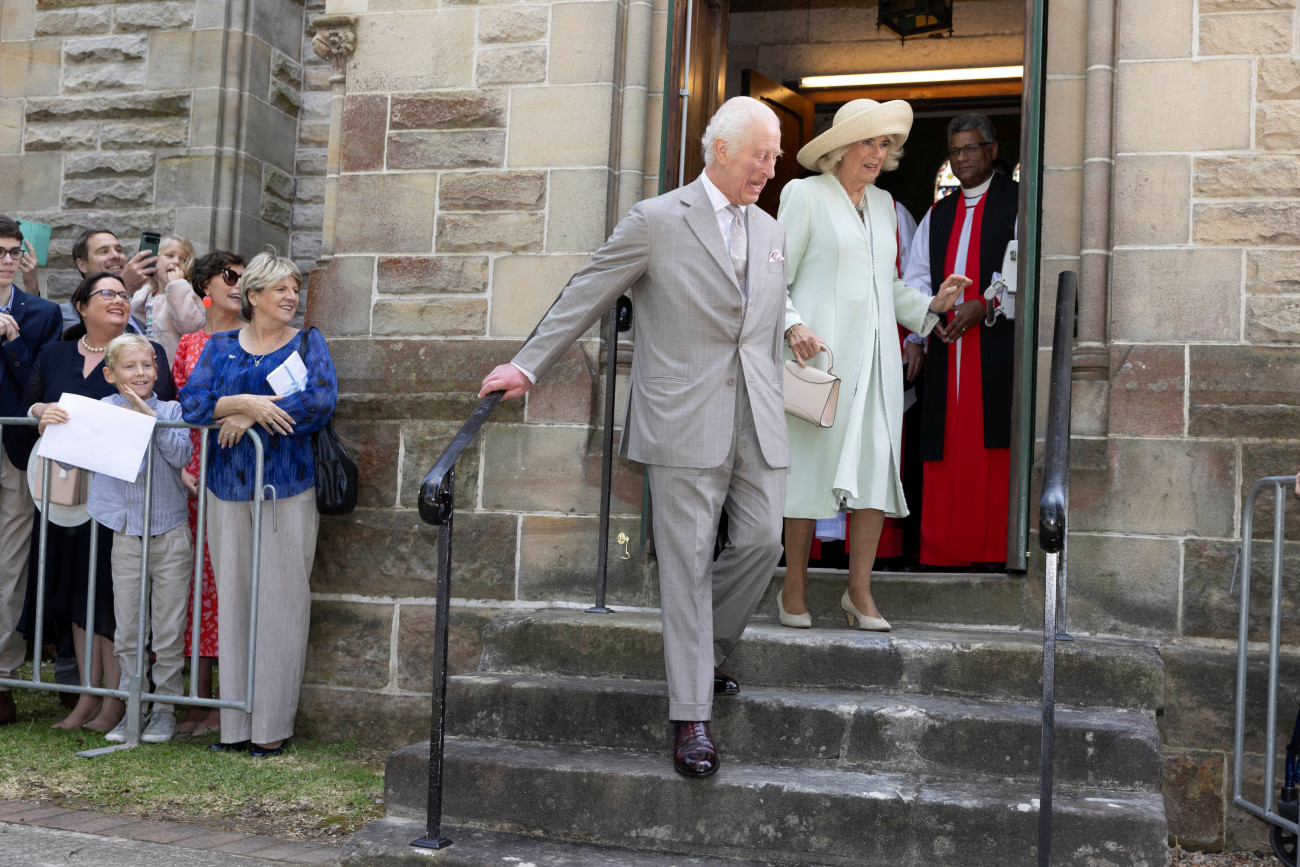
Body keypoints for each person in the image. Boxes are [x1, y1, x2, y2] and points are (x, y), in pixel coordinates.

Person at [478, 96, 788, 778]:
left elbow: (760, 322)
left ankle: (701, 655)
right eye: (762, 154)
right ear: (723, 152)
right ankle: (690, 717)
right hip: (682, 417)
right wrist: (527, 364)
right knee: (683, 564)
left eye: (775, 154)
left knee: (765, 540)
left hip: (756, 417)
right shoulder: (656, 220)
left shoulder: (771, 228)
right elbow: (588, 289)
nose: (771, 166)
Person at [776, 100, 969, 632]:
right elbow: (773, 277)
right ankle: (794, 585)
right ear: (840, 147)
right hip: (820, 363)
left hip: (878, 365)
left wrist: (931, 306)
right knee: (807, 473)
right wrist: (792, 324)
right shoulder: (804, 195)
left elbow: (886, 286)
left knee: (873, 478)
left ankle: (858, 592)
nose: (876, 154)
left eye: (884, 145)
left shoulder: (884, 205)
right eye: (867, 142)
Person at [180, 251, 337, 758]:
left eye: (295, 288)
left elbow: (317, 402)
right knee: (235, 603)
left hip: (285, 491)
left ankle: (270, 728)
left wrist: (251, 417)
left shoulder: (308, 344)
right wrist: (242, 403)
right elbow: (194, 403)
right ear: (253, 296)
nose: (291, 297)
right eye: (280, 288)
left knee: (281, 605)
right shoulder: (220, 346)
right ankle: (235, 727)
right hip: (225, 491)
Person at [16, 272, 177, 731]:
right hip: (67, 498)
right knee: (75, 592)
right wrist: (37, 412)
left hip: (119, 500)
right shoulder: (57, 352)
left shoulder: (149, 355)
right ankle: (88, 698)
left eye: (125, 294)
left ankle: (118, 701)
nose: (119, 299)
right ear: (82, 304)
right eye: (107, 292)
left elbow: (158, 422)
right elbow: (32, 403)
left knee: (111, 600)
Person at [42, 334, 192, 744]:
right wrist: (48, 419)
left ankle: (164, 710)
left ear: (157, 371)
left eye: (147, 365)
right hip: (125, 534)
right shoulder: (103, 411)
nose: (140, 373)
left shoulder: (173, 409)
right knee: (128, 630)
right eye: (130, 367)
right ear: (110, 374)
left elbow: (180, 456)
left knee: (167, 630)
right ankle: (133, 706)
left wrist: (149, 417)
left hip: (170, 533)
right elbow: (67, 455)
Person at [902, 114, 1019, 570]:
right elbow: (914, 281)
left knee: (989, 444)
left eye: (971, 148)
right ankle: (942, 551)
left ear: (992, 150)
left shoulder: (1016, 201)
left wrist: (984, 307)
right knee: (943, 445)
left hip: (993, 347)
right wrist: (923, 328)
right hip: (946, 344)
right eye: (955, 151)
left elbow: (1021, 268)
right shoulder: (939, 212)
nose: (962, 158)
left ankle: (990, 552)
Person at [170, 250, 245, 736]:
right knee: (194, 581)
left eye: (245, 278)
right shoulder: (190, 344)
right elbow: (182, 411)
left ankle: (224, 699)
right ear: (206, 288)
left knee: (228, 580)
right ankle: (195, 699)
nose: (239, 284)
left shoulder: (253, 341)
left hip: (237, 468)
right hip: (194, 474)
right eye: (230, 276)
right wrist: (181, 467)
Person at [0, 215, 62, 726]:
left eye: (10, 252)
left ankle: (1, 676)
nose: (4, 261)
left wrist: (11, 341)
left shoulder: (42, 313)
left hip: (14, 450)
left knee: (10, 566)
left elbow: (35, 388)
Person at [62, 230, 155, 336]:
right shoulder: (67, 312)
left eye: (119, 250)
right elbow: (94, 344)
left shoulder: (141, 305)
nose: (116, 255)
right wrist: (124, 288)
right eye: (104, 251)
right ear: (83, 265)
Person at [130, 235, 203, 363]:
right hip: (151, 367)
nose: (176, 262)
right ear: (155, 259)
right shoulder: (147, 296)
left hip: (177, 369)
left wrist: (177, 286)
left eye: (184, 260)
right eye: (170, 255)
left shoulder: (188, 294)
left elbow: (188, 326)